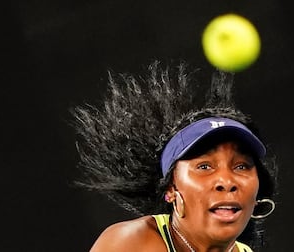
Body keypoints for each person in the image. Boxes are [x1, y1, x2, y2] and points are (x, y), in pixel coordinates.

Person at [72, 60, 277, 251]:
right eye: (204, 166)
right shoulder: (132, 243)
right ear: (171, 188)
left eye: (241, 166)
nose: (226, 181)